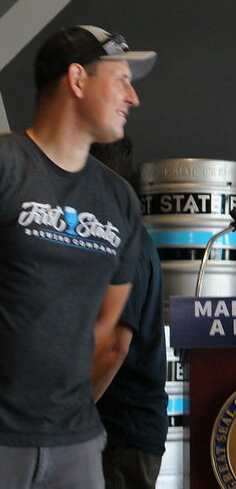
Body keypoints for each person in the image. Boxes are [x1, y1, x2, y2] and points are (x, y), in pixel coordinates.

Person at [0, 25, 156, 488]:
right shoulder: (7, 165)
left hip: (78, 445)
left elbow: (107, 329)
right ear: (77, 79)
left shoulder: (119, 200)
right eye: (121, 79)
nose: (133, 98)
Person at [91, 137, 169, 488]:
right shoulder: (113, 235)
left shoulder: (123, 240)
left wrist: (65, 416)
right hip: (118, 430)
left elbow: (114, 348)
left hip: (122, 434)